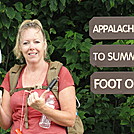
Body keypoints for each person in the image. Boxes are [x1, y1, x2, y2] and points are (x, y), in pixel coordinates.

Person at [0, 19, 76, 134]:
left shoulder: (59, 73)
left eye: (36, 42)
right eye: (26, 43)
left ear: (44, 45)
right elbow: (5, 124)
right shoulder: (12, 75)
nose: (31, 47)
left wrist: (43, 108)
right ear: (20, 47)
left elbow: (70, 120)